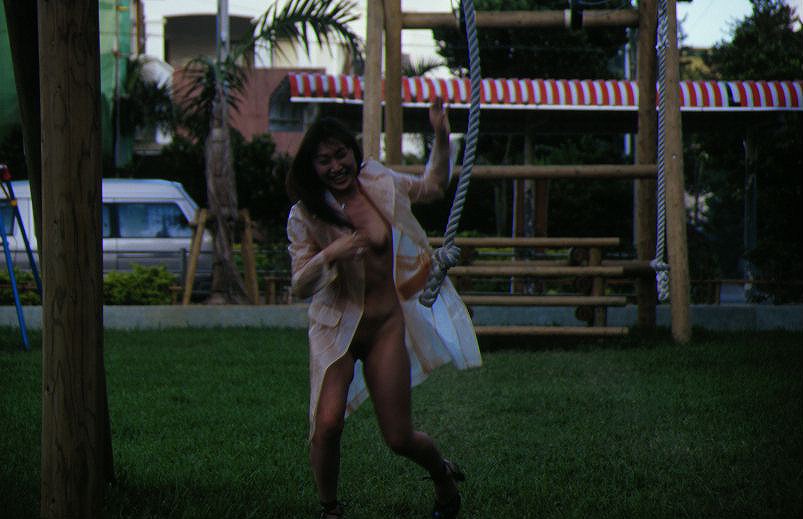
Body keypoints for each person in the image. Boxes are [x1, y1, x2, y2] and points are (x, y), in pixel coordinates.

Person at [286, 97, 482, 519]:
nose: (336, 166)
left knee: (398, 437)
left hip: (385, 326)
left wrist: (441, 134)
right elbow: (299, 284)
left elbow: (432, 186)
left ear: (353, 152)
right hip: (335, 328)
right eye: (324, 160)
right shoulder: (306, 214)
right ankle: (330, 509)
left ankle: (442, 476)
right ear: (311, 166)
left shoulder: (379, 181)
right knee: (327, 424)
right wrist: (332, 252)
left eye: (341, 154)